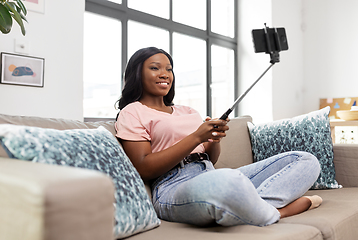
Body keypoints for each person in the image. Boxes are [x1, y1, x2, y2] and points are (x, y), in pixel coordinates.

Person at [115, 47, 322, 227]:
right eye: (155, 68)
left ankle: (251, 206)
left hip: (210, 172)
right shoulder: (132, 112)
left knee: (306, 160)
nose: (165, 74)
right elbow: (143, 168)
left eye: (169, 69)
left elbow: (211, 159)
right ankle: (276, 212)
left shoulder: (186, 111)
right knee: (229, 180)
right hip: (172, 186)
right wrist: (196, 137)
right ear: (137, 73)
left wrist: (213, 140)